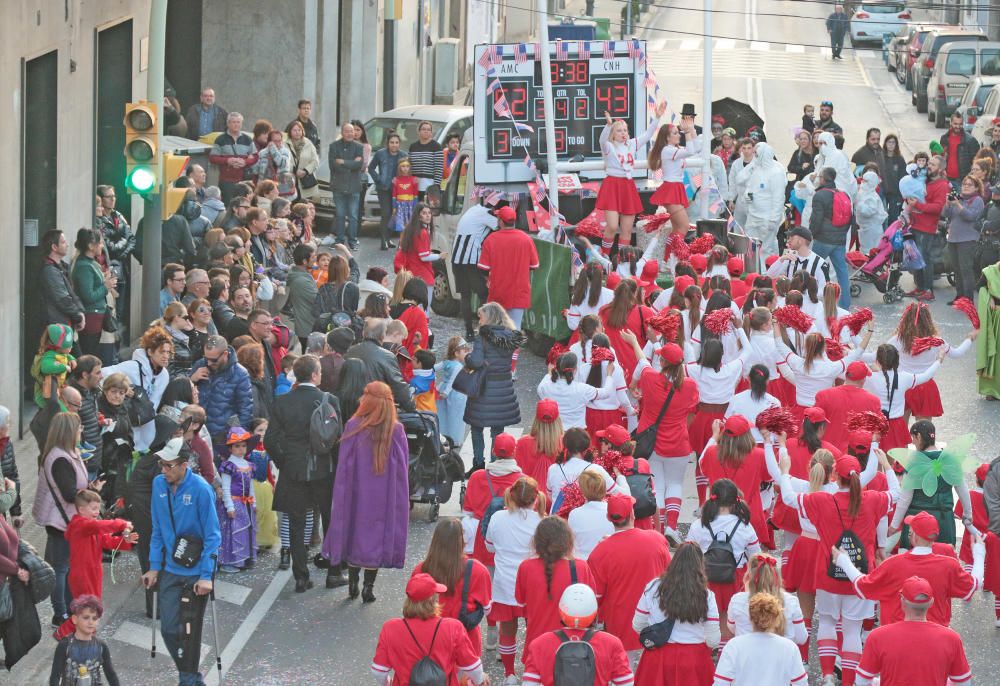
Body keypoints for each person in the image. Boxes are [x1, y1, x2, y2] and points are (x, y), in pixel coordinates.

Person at [776, 451, 895, 686]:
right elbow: (897, 495)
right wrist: (887, 467)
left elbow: (789, 498)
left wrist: (785, 471)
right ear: (857, 477)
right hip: (859, 578)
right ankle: (849, 681)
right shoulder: (872, 499)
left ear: (834, 476)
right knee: (852, 631)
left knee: (828, 623)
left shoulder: (821, 500)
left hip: (827, 575)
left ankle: (828, 675)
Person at [141, 436, 220, 686]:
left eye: (169, 465)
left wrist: (207, 576)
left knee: (190, 632)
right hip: (170, 569)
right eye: (162, 465)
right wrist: (154, 567)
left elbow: (212, 536)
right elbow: (156, 528)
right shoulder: (158, 485)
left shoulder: (201, 489)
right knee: (168, 629)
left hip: (196, 571)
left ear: (184, 464)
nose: (164, 470)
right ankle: (193, 678)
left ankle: (187, 679)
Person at [323, 381, 407, 601]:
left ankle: (353, 581)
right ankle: (369, 586)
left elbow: (344, 465)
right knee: (376, 542)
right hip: (384, 497)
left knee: (355, 537)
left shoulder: (354, 425)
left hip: (358, 495)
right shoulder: (396, 429)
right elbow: (402, 469)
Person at [265, 355, 341, 592]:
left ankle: (300, 576)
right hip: (323, 469)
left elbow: (270, 440)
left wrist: (284, 461)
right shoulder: (329, 400)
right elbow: (337, 439)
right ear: (316, 375)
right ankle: (334, 572)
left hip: (294, 469)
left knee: (296, 523)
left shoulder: (283, 402)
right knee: (330, 520)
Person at [834, 509, 982, 627]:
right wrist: (979, 553)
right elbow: (975, 584)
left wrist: (844, 561)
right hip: (937, 637)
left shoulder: (893, 564)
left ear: (913, 536)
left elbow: (862, 585)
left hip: (896, 636)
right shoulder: (949, 565)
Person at [620, 333, 699, 537]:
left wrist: (635, 342)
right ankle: (672, 527)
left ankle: (661, 529)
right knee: (675, 485)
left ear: (662, 362)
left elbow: (642, 361)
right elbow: (692, 412)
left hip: (653, 444)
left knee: (659, 486)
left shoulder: (651, 378)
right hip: (679, 444)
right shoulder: (689, 385)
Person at [589, 493, 671, 660]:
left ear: (608, 517)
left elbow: (594, 598)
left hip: (619, 631)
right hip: (657, 628)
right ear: (633, 514)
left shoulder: (600, 552)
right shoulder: (656, 539)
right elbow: (671, 577)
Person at [33, 413, 97, 627]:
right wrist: (89, 493)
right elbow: (70, 494)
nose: (81, 432)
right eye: (79, 429)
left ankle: (69, 609)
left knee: (66, 567)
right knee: (60, 569)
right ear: (70, 431)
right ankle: (59, 613)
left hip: (66, 520)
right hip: (60, 522)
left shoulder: (68, 453)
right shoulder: (60, 458)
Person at [370, 573, 487, 686]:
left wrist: (387, 683)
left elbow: (379, 671)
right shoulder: (453, 627)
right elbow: (473, 667)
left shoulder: (391, 628)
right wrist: (480, 681)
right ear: (434, 600)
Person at [855, 576, 971, 686]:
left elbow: (861, 681)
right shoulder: (951, 638)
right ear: (931, 603)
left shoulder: (878, 636)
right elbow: (963, 682)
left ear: (902, 601)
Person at [484, 476, 546, 678]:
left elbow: (489, 546)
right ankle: (531, 670)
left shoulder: (498, 518)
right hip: (533, 585)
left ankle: (509, 674)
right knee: (534, 630)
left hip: (505, 583)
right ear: (535, 498)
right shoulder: (542, 522)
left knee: (507, 630)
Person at [52, 489, 136, 640]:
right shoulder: (81, 525)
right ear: (82, 509)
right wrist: (122, 523)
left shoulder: (88, 525)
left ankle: (81, 636)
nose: (97, 512)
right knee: (90, 609)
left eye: (98, 508)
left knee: (88, 609)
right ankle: (68, 634)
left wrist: (125, 541)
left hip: (91, 573)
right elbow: (102, 528)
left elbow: (107, 541)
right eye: (94, 508)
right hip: (84, 575)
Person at [632, 542, 719, 685]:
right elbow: (713, 640)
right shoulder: (706, 595)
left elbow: (638, 625)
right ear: (700, 565)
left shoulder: (653, 587)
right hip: (693, 660)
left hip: (657, 657)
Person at [515, 516, 595, 671]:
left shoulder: (526, 567)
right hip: (573, 647)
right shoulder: (580, 567)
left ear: (537, 541)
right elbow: (591, 606)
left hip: (537, 642)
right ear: (567, 541)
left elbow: (521, 605)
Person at [686, 479, 761, 635]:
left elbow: (688, 554)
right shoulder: (745, 526)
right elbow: (756, 557)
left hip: (704, 578)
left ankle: (709, 647)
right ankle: (724, 650)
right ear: (736, 500)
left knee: (706, 617)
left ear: (712, 498)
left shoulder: (699, 525)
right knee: (729, 617)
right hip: (735, 577)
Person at [521, 583, 634, 686]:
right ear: (594, 612)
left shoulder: (539, 644)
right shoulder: (612, 643)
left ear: (561, 610)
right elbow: (626, 683)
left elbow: (529, 683)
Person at [411, 519, 493, 656]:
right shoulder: (477, 570)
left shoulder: (420, 569)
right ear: (461, 541)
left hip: (428, 640)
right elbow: (488, 610)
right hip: (466, 641)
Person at [596, 103, 667, 254]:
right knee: (612, 226)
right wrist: (608, 125)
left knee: (627, 230)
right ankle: (603, 259)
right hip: (612, 185)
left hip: (627, 186)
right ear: (613, 134)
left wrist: (657, 117)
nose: (623, 133)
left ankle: (624, 262)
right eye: (619, 130)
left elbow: (648, 135)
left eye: (625, 130)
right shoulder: (609, 146)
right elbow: (602, 140)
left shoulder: (631, 144)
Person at [889, 420, 974, 546]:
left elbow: (905, 499)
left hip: (916, 522)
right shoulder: (949, 459)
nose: (912, 442)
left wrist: (894, 525)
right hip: (944, 522)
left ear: (918, 436)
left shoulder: (914, 462)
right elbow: (962, 490)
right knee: (944, 560)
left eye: (913, 437)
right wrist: (968, 514)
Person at [464, 303, 524, 471]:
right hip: (503, 387)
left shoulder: (482, 337)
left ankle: (478, 465)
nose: (479, 320)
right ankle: (494, 465)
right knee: (498, 429)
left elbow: (475, 362)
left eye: (481, 316)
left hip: (483, 387)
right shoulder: (511, 336)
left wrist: (467, 357)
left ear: (489, 317)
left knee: (477, 427)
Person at [712, 592, 808, 686]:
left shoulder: (734, 646)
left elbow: (720, 682)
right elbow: (801, 683)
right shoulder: (789, 647)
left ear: (750, 617)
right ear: (777, 618)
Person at [726, 553, 807, 647]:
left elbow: (732, 627)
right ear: (777, 577)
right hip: (782, 656)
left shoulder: (737, 600)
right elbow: (802, 638)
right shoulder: (791, 601)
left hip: (747, 655)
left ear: (749, 576)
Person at [477, 206, 538, 331]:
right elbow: (534, 266)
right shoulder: (526, 239)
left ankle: (497, 350)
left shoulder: (491, 239)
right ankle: (513, 351)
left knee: (495, 327)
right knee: (515, 327)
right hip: (519, 291)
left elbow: (483, 268)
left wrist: (488, 279)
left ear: (500, 221)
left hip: (498, 291)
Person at [344, 318, 415, 411]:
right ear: (382, 335)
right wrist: (411, 407)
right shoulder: (387, 356)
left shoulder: (349, 352)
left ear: (363, 333)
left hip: (349, 408)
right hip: (375, 410)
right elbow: (399, 387)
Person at [49, 595, 121, 686]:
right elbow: (55, 676)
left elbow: (111, 675)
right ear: (75, 619)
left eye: (94, 618)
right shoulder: (65, 645)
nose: (90, 622)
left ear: (98, 621)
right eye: (86, 617)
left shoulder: (101, 646)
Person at [906, 155, 950, 301]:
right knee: (915, 257)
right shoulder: (924, 181)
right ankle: (919, 287)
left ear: (941, 168)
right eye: (929, 163)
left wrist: (916, 205)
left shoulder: (942, 185)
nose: (928, 166)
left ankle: (928, 290)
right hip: (914, 224)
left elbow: (937, 208)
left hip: (926, 228)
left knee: (925, 258)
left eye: (932, 164)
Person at [451, 200, 497, 338]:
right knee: (484, 294)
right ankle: (482, 327)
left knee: (465, 296)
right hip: (470, 260)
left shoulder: (473, 209)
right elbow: (502, 226)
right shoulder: (486, 215)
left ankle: (469, 331)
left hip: (456, 259)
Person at [809, 167, 852, 309]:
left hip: (823, 240)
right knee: (842, 272)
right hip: (839, 240)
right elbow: (851, 218)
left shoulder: (820, 195)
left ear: (822, 178)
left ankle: (810, 302)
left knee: (811, 270)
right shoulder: (843, 194)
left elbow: (816, 220)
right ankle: (845, 306)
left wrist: (810, 236)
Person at [648, 121, 701, 236]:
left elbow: (696, 149)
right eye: (675, 133)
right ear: (667, 137)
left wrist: (692, 130)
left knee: (678, 228)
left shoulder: (673, 149)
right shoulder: (668, 150)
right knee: (684, 226)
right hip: (671, 189)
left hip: (676, 187)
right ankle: (674, 253)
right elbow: (690, 151)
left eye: (679, 132)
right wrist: (687, 132)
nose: (679, 135)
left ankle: (670, 254)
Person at [216, 427, 257, 573]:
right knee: (233, 532)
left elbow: (251, 485)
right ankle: (229, 561)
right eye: (237, 446)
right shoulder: (229, 465)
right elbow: (226, 487)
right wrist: (230, 507)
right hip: (234, 503)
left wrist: (254, 502)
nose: (241, 449)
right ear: (230, 448)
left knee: (245, 530)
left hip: (246, 503)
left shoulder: (248, 465)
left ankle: (243, 559)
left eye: (243, 446)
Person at [814, 361, 881, 448]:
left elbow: (813, 423)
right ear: (863, 380)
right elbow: (877, 433)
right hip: (856, 455)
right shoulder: (874, 401)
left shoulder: (823, 395)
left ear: (846, 375)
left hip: (827, 453)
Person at [736, 142, 786, 257]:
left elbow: (778, 199)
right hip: (753, 216)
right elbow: (746, 184)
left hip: (767, 218)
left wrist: (773, 220)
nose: (755, 157)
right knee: (750, 247)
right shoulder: (756, 169)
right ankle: (752, 272)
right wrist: (747, 196)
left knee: (766, 250)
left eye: (757, 154)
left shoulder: (776, 172)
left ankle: (765, 273)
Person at [944, 175, 986, 303]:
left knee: (966, 269)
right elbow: (946, 215)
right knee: (956, 269)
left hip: (967, 240)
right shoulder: (958, 198)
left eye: (969, 184)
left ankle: (968, 299)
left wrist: (958, 205)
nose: (966, 186)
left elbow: (971, 216)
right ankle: (959, 296)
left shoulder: (977, 200)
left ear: (976, 187)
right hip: (953, 239)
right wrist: (947, 204)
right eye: (964, 184)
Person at [394, 203, 441, 310]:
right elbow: (424, 257)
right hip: (423, 274)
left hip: (411, 273)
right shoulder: (423, 233)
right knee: (425, 306)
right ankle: (423, 326)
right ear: (419, 216)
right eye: (424, 213)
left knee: (412, 306)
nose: (428, 215)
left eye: (429, 213)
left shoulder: (410, 230)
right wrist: (439, 256)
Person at [39, 229, 86, 334]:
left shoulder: (62, 267)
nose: (67, 245)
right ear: (54, 247)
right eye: (63, 242)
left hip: (66, 322)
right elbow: (63, 299)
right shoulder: (50, 271)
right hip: (57, 325)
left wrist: (80, 312)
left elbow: (72, 294)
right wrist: (78, 315)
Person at [329, 122, 365, 250]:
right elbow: (333, 166)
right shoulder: (333, 146)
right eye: (347, 131)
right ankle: (339, 240)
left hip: (354, 187)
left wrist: (343, 162)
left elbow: (359, 166)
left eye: (352, 131)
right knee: (340, 215)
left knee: (353, 216)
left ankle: (353, 241)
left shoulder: (359, 147)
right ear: (342, 133)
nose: (350, 133)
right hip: (338, 186)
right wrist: (351, 164)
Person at [208, 112, 258, 204]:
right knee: (228, 205)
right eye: (233, 122)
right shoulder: (220, 139)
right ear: (228, 123)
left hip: (244, 180)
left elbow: (255, 156)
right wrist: (227, 161)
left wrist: (245, 162)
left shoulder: (247, 139)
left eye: (238, 122)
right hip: (226, 181)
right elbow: (212, 157)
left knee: (244, 204)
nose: (236, 124)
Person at [368, 132, 406, 249]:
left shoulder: (403, 155)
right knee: (386, 213)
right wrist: (378, 179)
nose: (394, 145)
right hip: (383, 188)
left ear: (399, 144)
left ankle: (389, 239)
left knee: (394, 215)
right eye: (391, 142)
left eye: (396, 143)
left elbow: (407, 170)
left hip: (398, 190)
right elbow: (371, 168)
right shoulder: (380, 154)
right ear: (387, 143)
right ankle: (383, 241)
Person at [766, 226, 831, 289]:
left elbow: (824, 290)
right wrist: (781, 259)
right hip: (790, 299)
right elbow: (770, 275)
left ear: (800, 241)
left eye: (791, 238)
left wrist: (805, 297)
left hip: (808, 299)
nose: (788, 241)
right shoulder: (789, 257)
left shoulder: (820, 263)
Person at [567, 470, 614, 559]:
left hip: (585, 565)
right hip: (607, 562)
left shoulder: (575, 514)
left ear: (583, 492)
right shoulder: (612, 510)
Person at [435, 336, 471, 447]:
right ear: (456, 353)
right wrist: (446, 393)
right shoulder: (458, 366)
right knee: (456, 416)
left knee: (443, 415)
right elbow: (452, 381)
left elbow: (433, 367)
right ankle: (455, 440)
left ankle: (443, 436)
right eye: (465, 352)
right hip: (456, 393)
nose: (467, 354)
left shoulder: (446, 362)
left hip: (443, 389)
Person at [941, 111, 980, 188]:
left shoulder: (970, 140)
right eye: (955, 124)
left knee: (961, 200)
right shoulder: (944, 138)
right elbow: (941, 157)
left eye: (960, 124)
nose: (958, 126)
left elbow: (976, 161)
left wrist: (969, 178)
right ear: (951, 123)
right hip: (946, 178)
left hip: (962, 180)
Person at [285, 119, 320, 202]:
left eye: (299, 130)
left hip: (306, 181)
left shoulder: (308, 143)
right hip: (291, 181)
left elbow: (315, 161)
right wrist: (295, 170)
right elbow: (284, 161)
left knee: (305, 208)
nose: (297, 132)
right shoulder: (285, 144)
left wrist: (305, 171)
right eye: (294, 130)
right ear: (290, 132)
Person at [408, 120, 444, 198]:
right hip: (415, 185)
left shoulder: (436, 146)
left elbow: (439, 168)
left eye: (428, 130)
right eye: (424, 129)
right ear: (419, 131)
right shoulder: (413, 147)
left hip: (430, 185)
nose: (426, 131)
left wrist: (436, 186)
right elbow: (409, 166)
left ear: (431, 132)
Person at [855, 170, 888, 253]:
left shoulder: (873, 196)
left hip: (872, 229)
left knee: (872, 251)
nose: (863, 182)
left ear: (871, 182)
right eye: (863, 180)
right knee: (865, 249)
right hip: (865, 228)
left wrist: (858, 204)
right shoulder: (863, 192)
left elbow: (868, 212)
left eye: (866, 181)